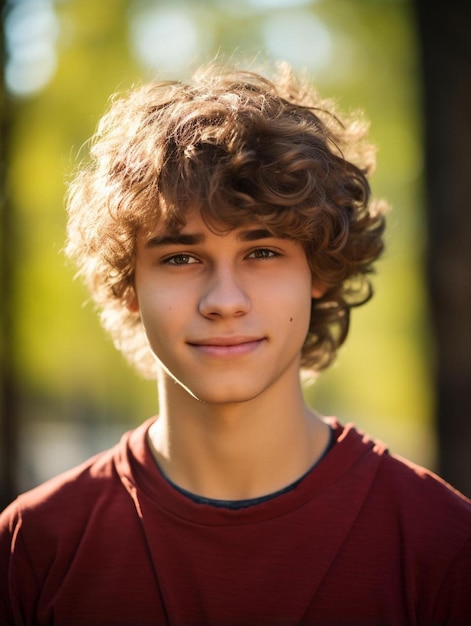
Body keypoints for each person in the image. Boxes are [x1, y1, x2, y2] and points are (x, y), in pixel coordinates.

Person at [1, 61, 470, 626]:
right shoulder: (34, 545)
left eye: (263, 252)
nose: (225, 300)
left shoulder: (442, 543)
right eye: (180, 258)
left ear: (317, 271)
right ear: (129, 284)